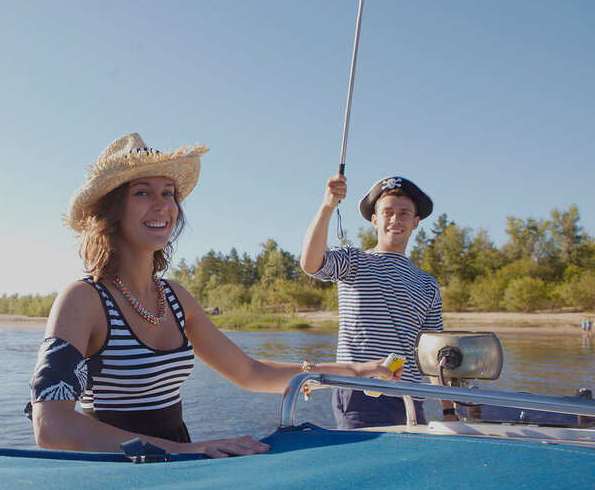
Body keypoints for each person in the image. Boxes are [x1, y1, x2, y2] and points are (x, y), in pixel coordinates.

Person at [26, 133, 401, 459]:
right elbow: (51, 427)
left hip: (179, 458)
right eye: (142, 193)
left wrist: (354, 372)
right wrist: (189, 451)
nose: (162, 205)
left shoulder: (174, 297)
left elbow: (249, 372)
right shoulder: (83, 299)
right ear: (112, 209)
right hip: (116, 468)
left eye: (168, 194)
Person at [300, 173, 457, 429]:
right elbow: (310, 264)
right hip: (361, 394)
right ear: (374, 220)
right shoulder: (353, 260)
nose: (396, 219)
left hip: (410, 401)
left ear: (416, 222)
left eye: (405, 213)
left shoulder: (428, 283)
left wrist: (448, 410)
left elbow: (433, 356)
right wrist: (328, 205)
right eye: (388, 212)